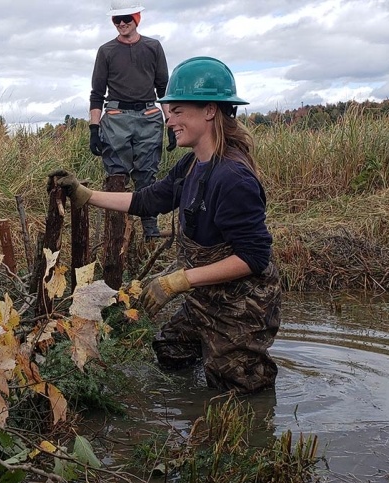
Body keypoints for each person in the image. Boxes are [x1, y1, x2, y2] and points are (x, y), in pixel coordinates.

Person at [53, 57, 282, 394]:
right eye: (169, 112)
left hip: (241, 306)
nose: (169, 120)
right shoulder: (193, 165)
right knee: (171, 349)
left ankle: (248, 429)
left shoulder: (232, 178)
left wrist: (178, 281)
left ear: (208, 110)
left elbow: (253, 258)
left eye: (177, 111)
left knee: (238, 389)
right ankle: (189, 409)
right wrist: (86, 195)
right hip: (205, 297)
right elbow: (147, 201)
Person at [88, 0, 171, 238]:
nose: (121, 24)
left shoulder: (153, 47)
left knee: (147, 174)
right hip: (116, 118)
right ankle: (116, 234)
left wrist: (171, 123)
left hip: (148, 115)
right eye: (116, 20)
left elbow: (163, 88)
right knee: (116, 175)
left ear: (137, 18)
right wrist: (94, 128)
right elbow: (96, 93)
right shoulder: (106, 51)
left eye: (126, 19)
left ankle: (150, 230)